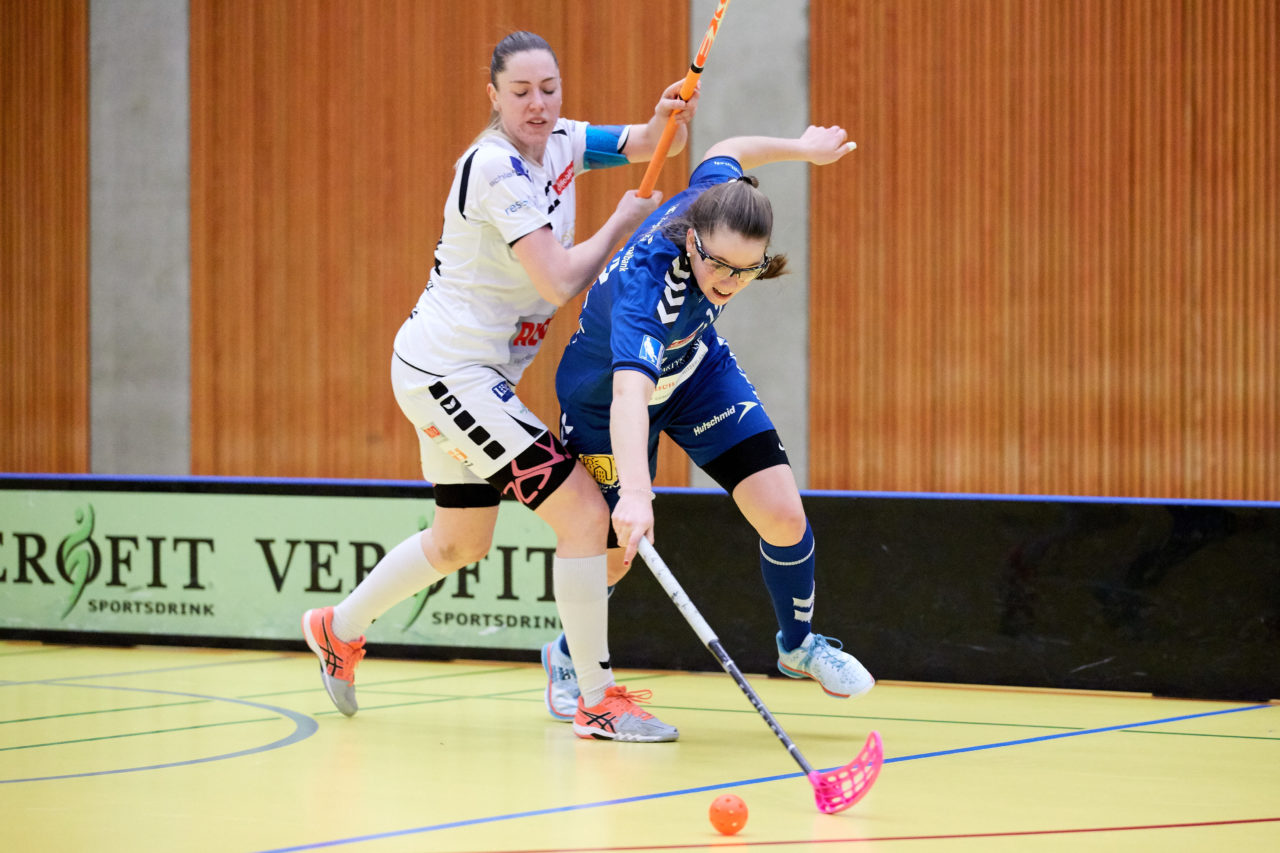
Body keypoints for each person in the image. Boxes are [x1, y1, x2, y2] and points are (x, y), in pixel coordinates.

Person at [302, 31, 699, 743]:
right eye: (521, 93)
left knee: (459, 542)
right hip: (449, 373)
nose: (538, 104)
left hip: (456, 374)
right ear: (493, 97)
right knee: (583, 514)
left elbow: (641, 143)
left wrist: (666, 116)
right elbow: (560, 279)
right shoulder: (493, 169)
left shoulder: (564, 141)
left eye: (549, 88)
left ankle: (338, 625)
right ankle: (597, 699)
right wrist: (621, 222)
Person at [541, 126, 874, 723]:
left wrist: (802, 148)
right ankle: (570, 655)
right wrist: (638, 496)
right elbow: (627, 395)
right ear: (692, 238)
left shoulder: (719, 198)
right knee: (615, 550)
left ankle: (798, 646)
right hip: (604, 400)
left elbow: (731, 150)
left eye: (746, 271)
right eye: (717, 265)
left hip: (694, 369)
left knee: (781, 511)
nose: (727, 282)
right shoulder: (652, 291)